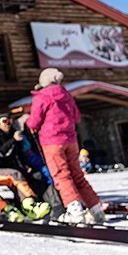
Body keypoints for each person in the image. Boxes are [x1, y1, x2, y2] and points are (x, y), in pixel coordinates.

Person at [26, 67, 106, 224]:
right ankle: (96, 209)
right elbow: (76, 117)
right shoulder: (67, 95)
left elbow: (34, 122)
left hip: (52, 142)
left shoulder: (42, 97)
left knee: (61, 175)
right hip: (71, 141)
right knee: (77, 175)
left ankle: (75, 211)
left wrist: (28, 122)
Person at [0, 114, 52, 220]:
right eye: (5, 121)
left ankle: (27, 206)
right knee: (16, 175)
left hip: (13, 168)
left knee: (32, 175)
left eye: (10, 121)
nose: (8, 124)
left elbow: (19, 153)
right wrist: (13, 140)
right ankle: (29, 204)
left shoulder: (13, 133)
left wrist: (25, 165)